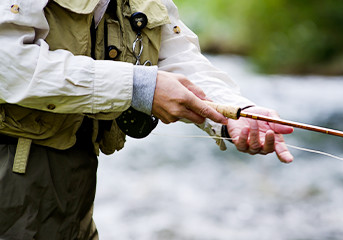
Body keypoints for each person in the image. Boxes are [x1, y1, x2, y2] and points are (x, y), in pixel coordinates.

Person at [0, 0, 293, 239]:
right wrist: (139, 87)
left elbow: (175, 53)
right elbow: (7, 63)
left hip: (73, 194)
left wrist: (236, 111)